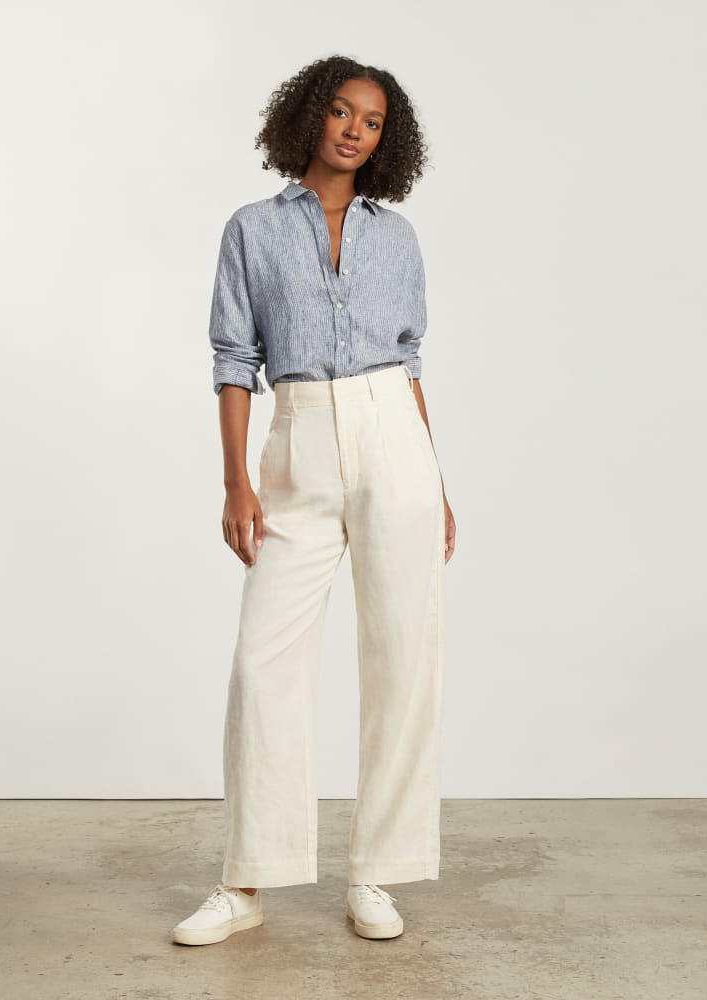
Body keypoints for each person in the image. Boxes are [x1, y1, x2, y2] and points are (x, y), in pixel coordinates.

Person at [172, 55, 456, 947]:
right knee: (265, 662)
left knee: (404, 657)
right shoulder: (253, 229)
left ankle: (376, 872)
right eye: (341, 112)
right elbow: (234, 360)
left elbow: (408, 361)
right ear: (309, 116)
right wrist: (236, 480)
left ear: (386, 141)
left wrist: (436, 480)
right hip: (299, 434)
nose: (353, 131)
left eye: (372, 122)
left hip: (394, 440)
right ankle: (245, 882)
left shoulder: (397, 238)